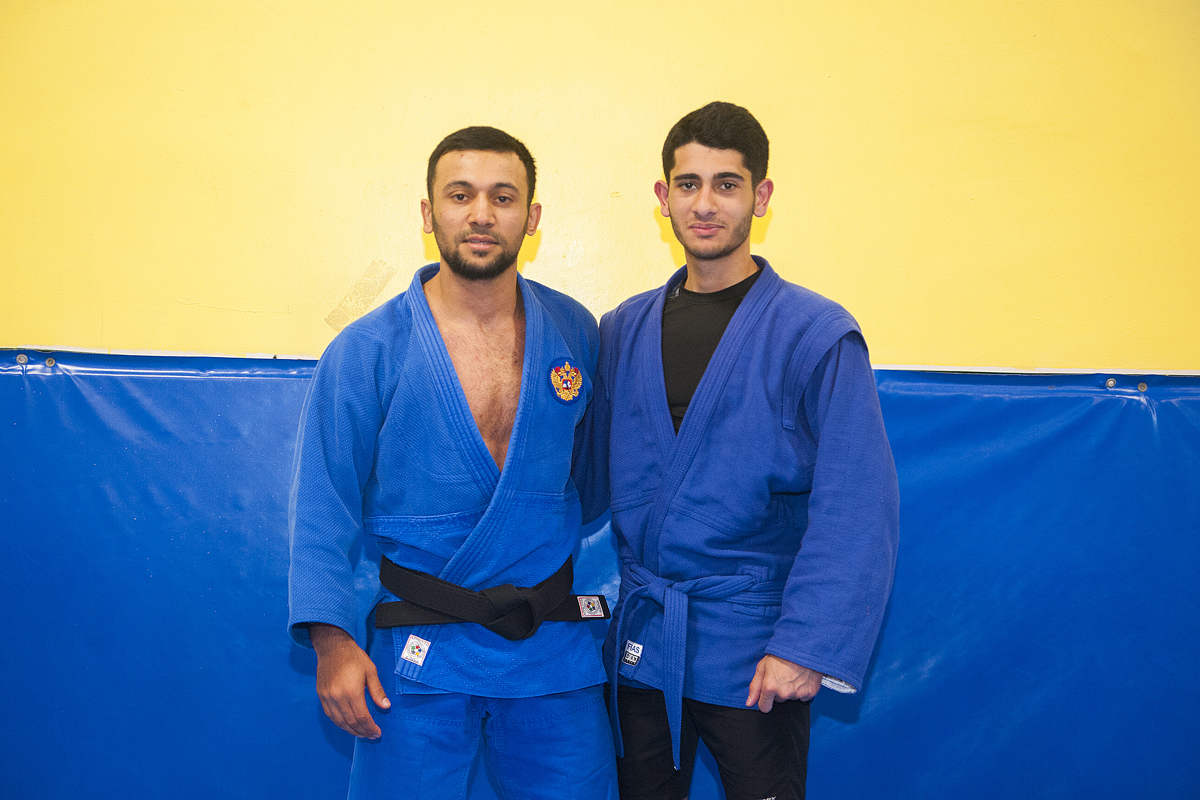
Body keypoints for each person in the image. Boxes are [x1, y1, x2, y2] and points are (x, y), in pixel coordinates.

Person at [288, 126, 617, 800]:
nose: (481, 214)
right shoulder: (367, 348)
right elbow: (324, 502)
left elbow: (591, 481)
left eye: (503, 197)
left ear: (532, 217)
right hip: (419, 646)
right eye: (460, 195)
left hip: (547, 643)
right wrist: (332, 640)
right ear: (428, 212)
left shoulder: (574, 330)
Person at [593, 102, 900, 800]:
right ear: (663, 196)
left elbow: (857, 504)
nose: (705, 204)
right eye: (688, 183)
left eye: (726, 184)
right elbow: (583, 478)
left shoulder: (815, 333)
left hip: (756, 647)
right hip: (648, 640)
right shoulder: (623, 329)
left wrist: (805, 645)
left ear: (760, 197)